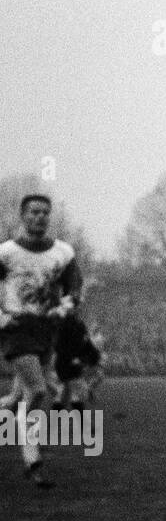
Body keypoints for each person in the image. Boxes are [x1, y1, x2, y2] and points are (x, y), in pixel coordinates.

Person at [0, 194, 83, 488]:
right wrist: (2, 318)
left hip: (46, 329)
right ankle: (32, 458)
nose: (40, 217)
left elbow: (74, 288)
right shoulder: (6, 253)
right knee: (37, 391)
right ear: (23, 216)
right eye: (34, 212)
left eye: (45, 212)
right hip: (16, 328)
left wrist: (65, 307)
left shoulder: (63, 252)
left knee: (16, 399)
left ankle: (25, 447)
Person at [52, 311, 104, 410]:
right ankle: (88, 394)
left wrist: (93, 357)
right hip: (66, 363)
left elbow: (86, 344)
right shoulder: (67, 327)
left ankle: (56, 420)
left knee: (66, 393)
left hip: (68, 363)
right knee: (75, 390)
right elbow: (60, 346)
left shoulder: (79, 327)